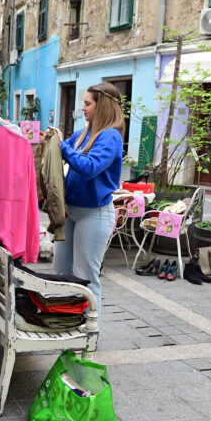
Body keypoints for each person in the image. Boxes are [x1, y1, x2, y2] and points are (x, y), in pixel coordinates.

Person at [49, 82, 124, 316]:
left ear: (101, 106)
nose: (83, 108)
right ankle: (64, 322)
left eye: (87, 103)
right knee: (61, 271)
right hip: (72, 211)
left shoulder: (110, 136)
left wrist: (61, 145)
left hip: (95, 214)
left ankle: (89, 332)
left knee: (86, 277)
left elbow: (90, 167)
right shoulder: (84, 134)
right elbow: (63, 151)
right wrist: (53, 142)